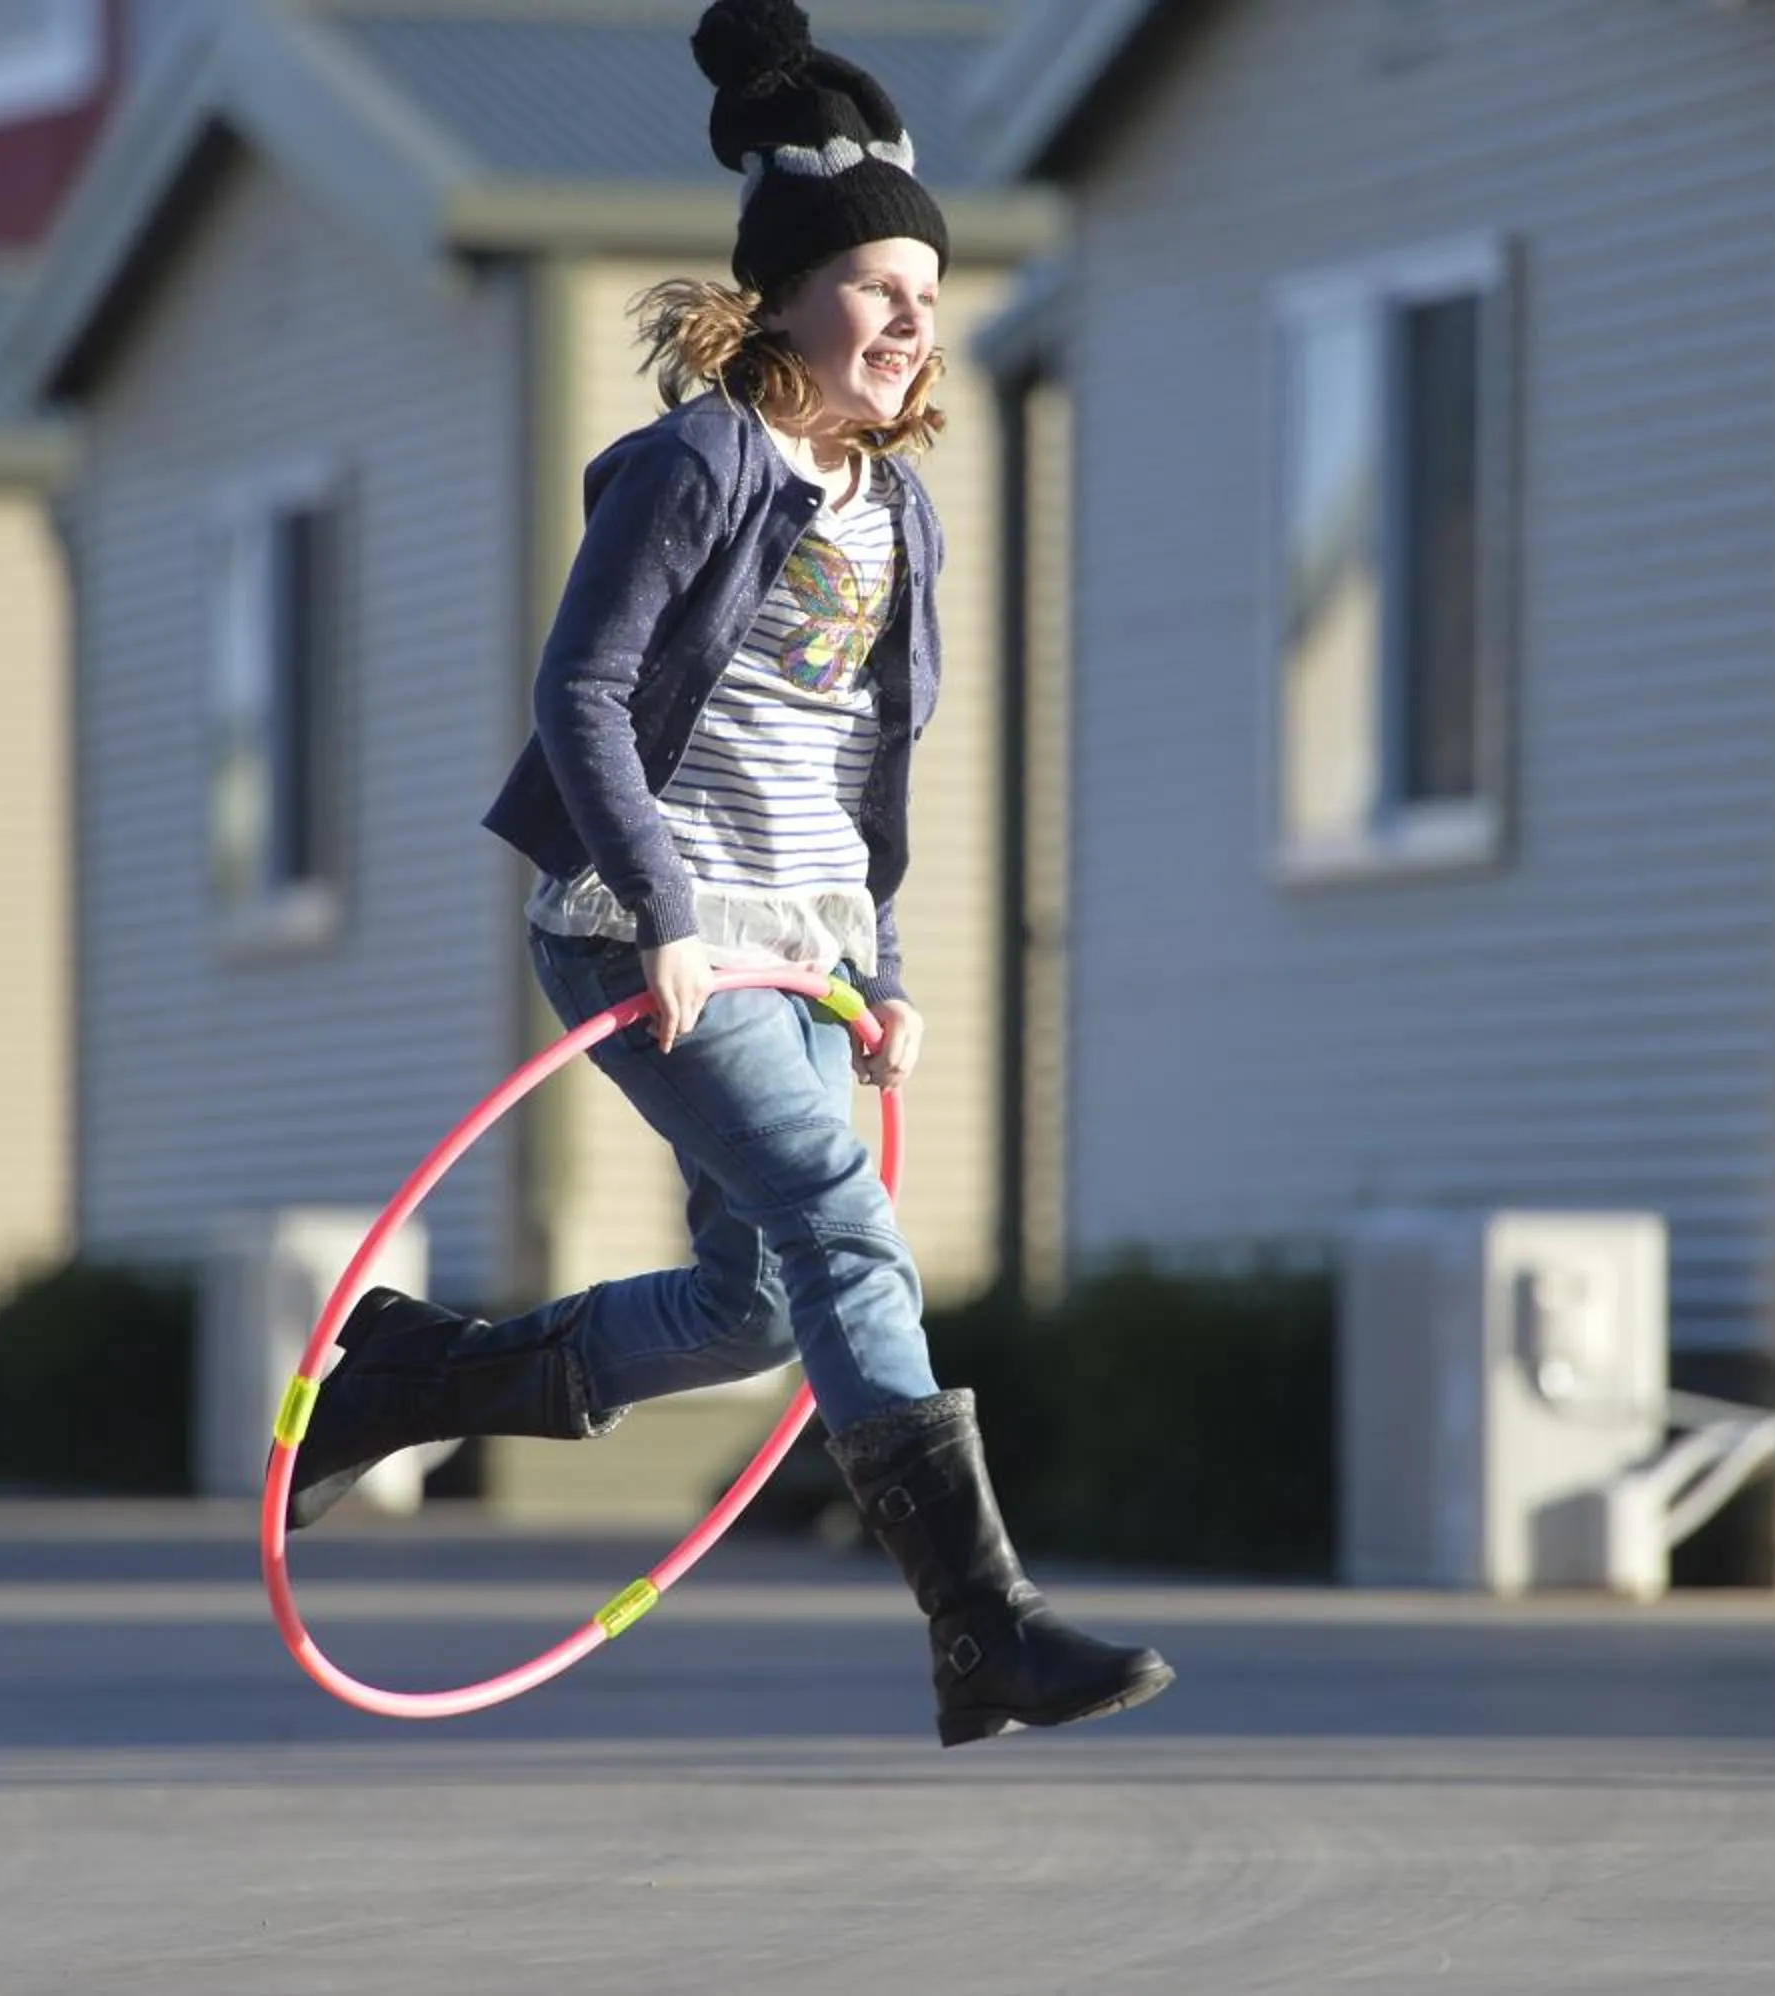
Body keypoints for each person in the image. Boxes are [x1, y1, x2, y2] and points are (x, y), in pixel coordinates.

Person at [283, 0, 1172, 1748]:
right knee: (848, 1225)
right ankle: (982, 1625)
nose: (916, 317)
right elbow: (583, 690)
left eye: (931, 288)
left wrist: (885, 966)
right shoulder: (706, 462)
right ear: (780, 299)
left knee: (756, 1306)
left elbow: (862, 768)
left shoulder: (894, 510)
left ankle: (409, 1376)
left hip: (810, 945)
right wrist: (669, 919)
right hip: (649, 930)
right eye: (876, 285)